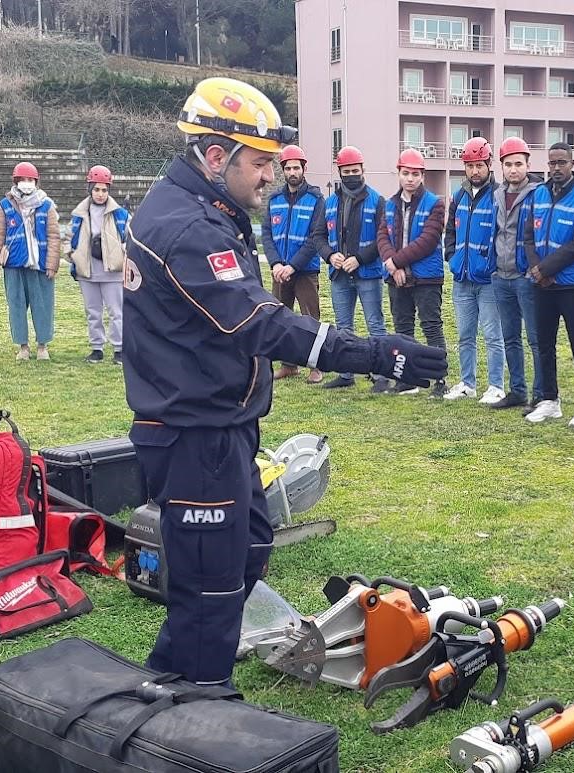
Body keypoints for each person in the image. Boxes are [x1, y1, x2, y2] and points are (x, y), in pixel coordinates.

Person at [123, 77, 446, 687]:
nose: (271, 175)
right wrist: (376, 354)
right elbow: (261, 325)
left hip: (223, 423)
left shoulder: (205, 208)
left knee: (248, 546)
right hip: (193, 432)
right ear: (215, 157)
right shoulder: (188, 227)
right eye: (261, 162)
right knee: (210, 579)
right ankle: (193, 695)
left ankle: (183, 667)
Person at [522, 142, 574, 426]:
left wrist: (547, 268)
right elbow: (528, 236)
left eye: (561, 163)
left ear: (572, 164)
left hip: (571, 284)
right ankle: (549, 399)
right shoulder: (538, 194)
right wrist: (536, 269)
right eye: (552, 163)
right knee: (544, 343)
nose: (556, 168)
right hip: (541, 283)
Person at [308, 145, 390, 390]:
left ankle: (381, 375)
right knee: (344, 327)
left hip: (368, 273)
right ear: (340, 171)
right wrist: (330, 255)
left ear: (363, 170)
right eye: (347, 171)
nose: (351, 175)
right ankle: (346, 375)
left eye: (355, 170)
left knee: (375, 324)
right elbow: (318, 236)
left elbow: (383, 237)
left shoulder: (377, 201)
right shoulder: (330, 202)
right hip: (339, 274)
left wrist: (360, 258)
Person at [377, 148, 448, 397]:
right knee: (402, 328)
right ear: (399, 173)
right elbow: (382, 236)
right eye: (406, 173)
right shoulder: (390, 204)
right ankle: (407, 378)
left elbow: (427, 241)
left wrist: (395, 262)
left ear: (422, 176)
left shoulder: (435, 204)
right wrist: (391, 262)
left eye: (415, 174)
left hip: (426, 276)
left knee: (431, 326)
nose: (410, 178)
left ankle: (439, 379)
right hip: (396, 276)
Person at [443, 136, 508, 404]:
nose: (475, 171)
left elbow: (504, 233)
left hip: (489, 279)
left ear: (489, 164)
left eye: (480, 165)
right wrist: (452, 256)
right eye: (470, 166)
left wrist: (493, 263)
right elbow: (451, 230)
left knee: (493, 335)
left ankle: (496, 385)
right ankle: (467, 382)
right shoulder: (458, 196)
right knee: (465, 334)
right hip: (462, 278)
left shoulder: (498, 196)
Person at [263, 144, 327, 384]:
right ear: (283, 170)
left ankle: (316, 366)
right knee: (280, 319)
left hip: (305, 270)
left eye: (296, 168)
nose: (292, 172)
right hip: (280, 272)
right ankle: (288, 365)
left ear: (304, 169)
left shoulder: (316, 199)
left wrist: (293, 266)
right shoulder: (274, 199)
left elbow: (315, 237)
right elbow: (267, 235)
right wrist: (276, 263)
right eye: (288, 168)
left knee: (310, 320)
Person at [489, 136, 542, 411]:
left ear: (528, 164)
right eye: (508, 164)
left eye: (518, 164)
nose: (513, 169)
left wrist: (534, 268)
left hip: (525, 276)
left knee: (535, 338)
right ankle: (517, 390)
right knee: (510, 337)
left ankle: (540, 393)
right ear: (501, 166)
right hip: (501, 275)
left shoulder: (539, 193)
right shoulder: (497, 194)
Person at [0, 161, 60, 361]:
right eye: (23, 180)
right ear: (16, 182)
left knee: (43, 305)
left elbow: (54, 236)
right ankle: (23, 347)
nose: (26, 183)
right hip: (14, 264)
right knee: (16, 305)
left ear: (36, 182)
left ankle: (42, 346)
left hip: (40, 264)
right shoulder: (5, 205)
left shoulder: (47, 205)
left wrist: (52, 264)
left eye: (30, 180)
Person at [68, 165, 130, 364]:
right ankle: (97, 347)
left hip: (112, 270)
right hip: (88, 269)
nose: (100, 194)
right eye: (96, 189)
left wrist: (123, 251)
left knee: (116, 311)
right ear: (90, 189)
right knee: (92, 311)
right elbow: (69, 237)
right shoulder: (79, 213)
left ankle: (119, 348)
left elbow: (131, 237)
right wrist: (72, 256)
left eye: (104, 190)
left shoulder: (120, 214)